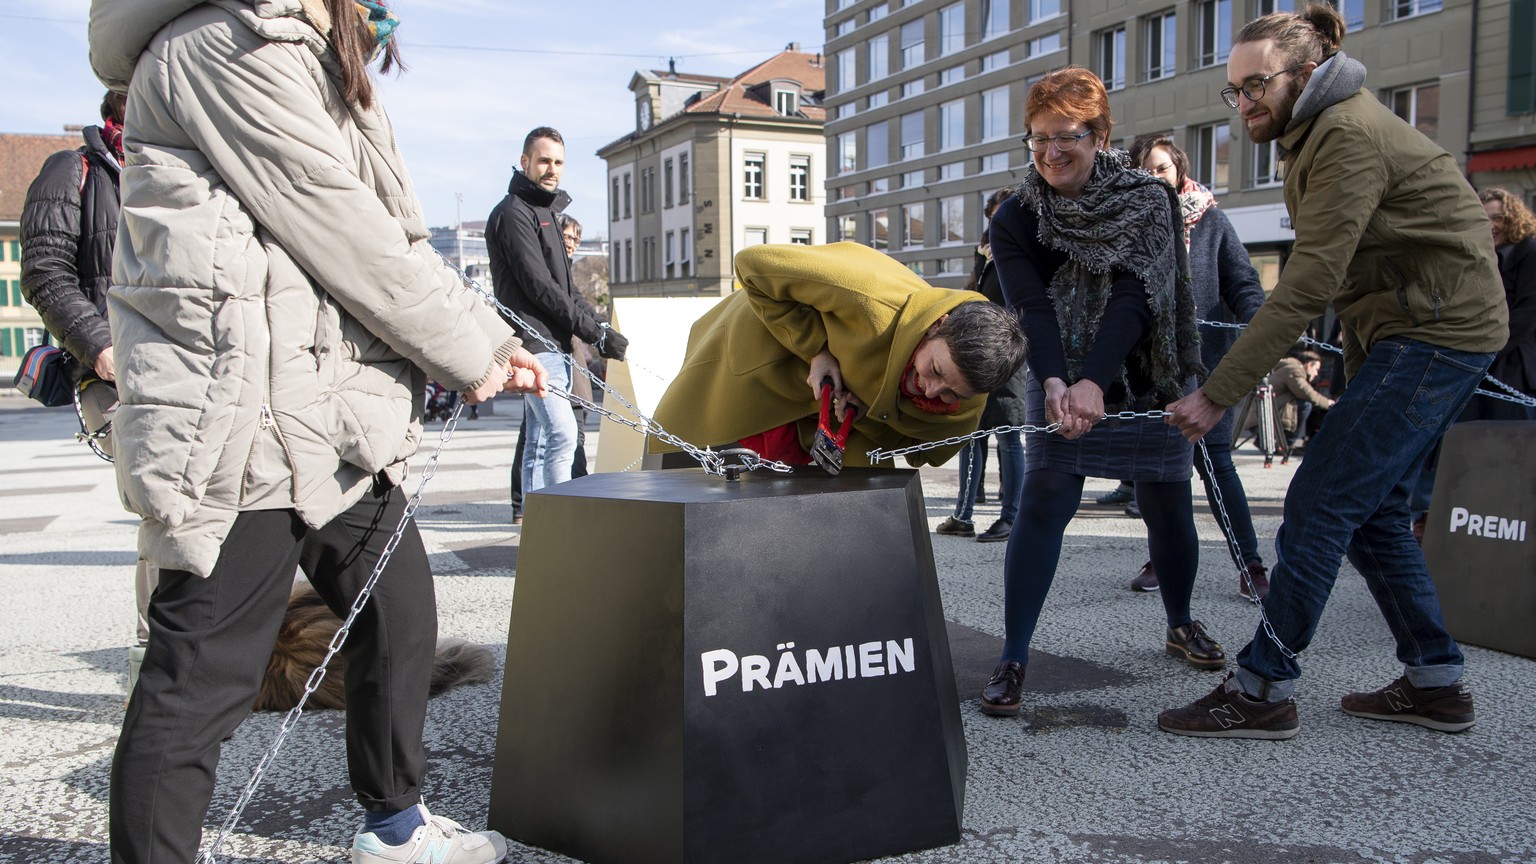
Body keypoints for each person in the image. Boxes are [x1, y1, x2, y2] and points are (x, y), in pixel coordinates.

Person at [89, 1, 548, 862]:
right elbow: (342, 225)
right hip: (241, 414)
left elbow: (379, 230)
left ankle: (396, 828)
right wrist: (469, 345)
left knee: (398, 606)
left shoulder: (303, 49)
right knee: (203, 676)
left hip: (320, 411)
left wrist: (492, 340)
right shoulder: (220, 41)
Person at [1159, 3, 1508, 740]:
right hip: (1420, 335)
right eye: (1236, 89)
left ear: (1305, 74)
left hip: (1437, 335)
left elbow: (1312, 281)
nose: (1244, 102)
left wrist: (1220, 392)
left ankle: (1261, 689)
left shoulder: (1346, 134)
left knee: (1318, 503)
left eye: (1257, 85)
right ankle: (1436, 682)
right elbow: (1360, 276)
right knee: (1371, 511)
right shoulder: (1316, 131)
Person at [980, 67, 1220, 719]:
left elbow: (1138, 295)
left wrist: (1097, 379)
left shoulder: (1149, 200)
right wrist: (1060, 381)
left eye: (1068, 137)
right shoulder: (1016, 218)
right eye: (1037, 140)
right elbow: (1031, 306)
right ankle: (1015, 654)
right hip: (1060, 371)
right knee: (1046, 495)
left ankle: (1180, 621)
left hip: (1146, 369)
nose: (1052, 153)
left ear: (1101, 135)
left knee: (1168, 500)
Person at [650, 241, 1026, 468]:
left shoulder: (968, 397)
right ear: (936, 326)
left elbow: (923, 452)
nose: (930, 391)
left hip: (830, 424)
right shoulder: (866, 293)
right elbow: (752, 266)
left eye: (950, 394)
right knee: (698, 479)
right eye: (935, 369)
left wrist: (866, 418)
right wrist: (816, 349)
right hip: (761, 355)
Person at [17, 91, 156, 685]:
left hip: (203, 365)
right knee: (166, 507)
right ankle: (157, 663)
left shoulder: (185, 159)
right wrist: (101, 348)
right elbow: (45, 271)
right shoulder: (73, 171)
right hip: (116, 372)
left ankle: (235, 652)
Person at [1122, 134, 1271, 598]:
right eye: (1144, 170)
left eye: (1162, 168)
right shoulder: (1126, 227)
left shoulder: (1211, 221)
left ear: (1179, 171)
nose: (1154, 178)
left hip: (1204, 370)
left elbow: (1243, 280)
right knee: (1157, 476)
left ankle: (1250, 565)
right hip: (1149, 374)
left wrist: (1261, 321)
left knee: (1217, 468)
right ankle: (1165, 558)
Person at [488, 127, 625, 512]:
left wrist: (600, 327)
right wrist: (593, 333)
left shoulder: (547, 213)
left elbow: (568, 289)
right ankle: (556, 524)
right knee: (562, 435)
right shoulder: (513, 213)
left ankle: (536, 522)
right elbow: (538, 286)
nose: (552, 169)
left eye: (558, 162)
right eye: (544, 160)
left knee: (539, 437)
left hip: (556, 342)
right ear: (525, 162)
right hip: (533, 342)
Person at [935, 186, 1027, 543]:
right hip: (977, 351)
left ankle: (1011, 517)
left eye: (1001, 212)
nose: (997, 220)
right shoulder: (987, 251)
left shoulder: (1021, 250)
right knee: (971, 434)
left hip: (1007, 355)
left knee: (1007, 437)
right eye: (992, 215)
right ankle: (964, 513)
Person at [509, 213, 593, 523]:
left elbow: (577, 304)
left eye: (575, 239)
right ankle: (547, 514)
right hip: (543, 352)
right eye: (565, 237)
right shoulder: (544, 267)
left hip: (567, 359)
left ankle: (544, 511)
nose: (570, 244)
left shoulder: (564, 271)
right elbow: (565, 305)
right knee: (556, 435)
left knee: (552, 435)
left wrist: (599, 331)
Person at [1474, 188, 1536, 420]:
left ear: (1513, 219)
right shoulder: (1481, 257)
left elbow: (1529, 311)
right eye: (1484, 218)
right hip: (1488, 362)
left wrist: (1489, 350)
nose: (1491, 225)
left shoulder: (1529, 251)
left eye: (1498, 218)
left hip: (1517, 363)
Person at [1254, 349, 1334, 451]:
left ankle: (1279, 441)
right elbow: (1306, 392)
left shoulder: (1290, 368)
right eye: (1316, 369)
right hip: (1265, 412)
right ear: (1309, 365)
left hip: (1268, 410)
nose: (1316, 374)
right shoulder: (1294, 370)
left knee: (1310, 404)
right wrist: (1328, 403)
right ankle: (1287, 443)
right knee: (1306, 405)